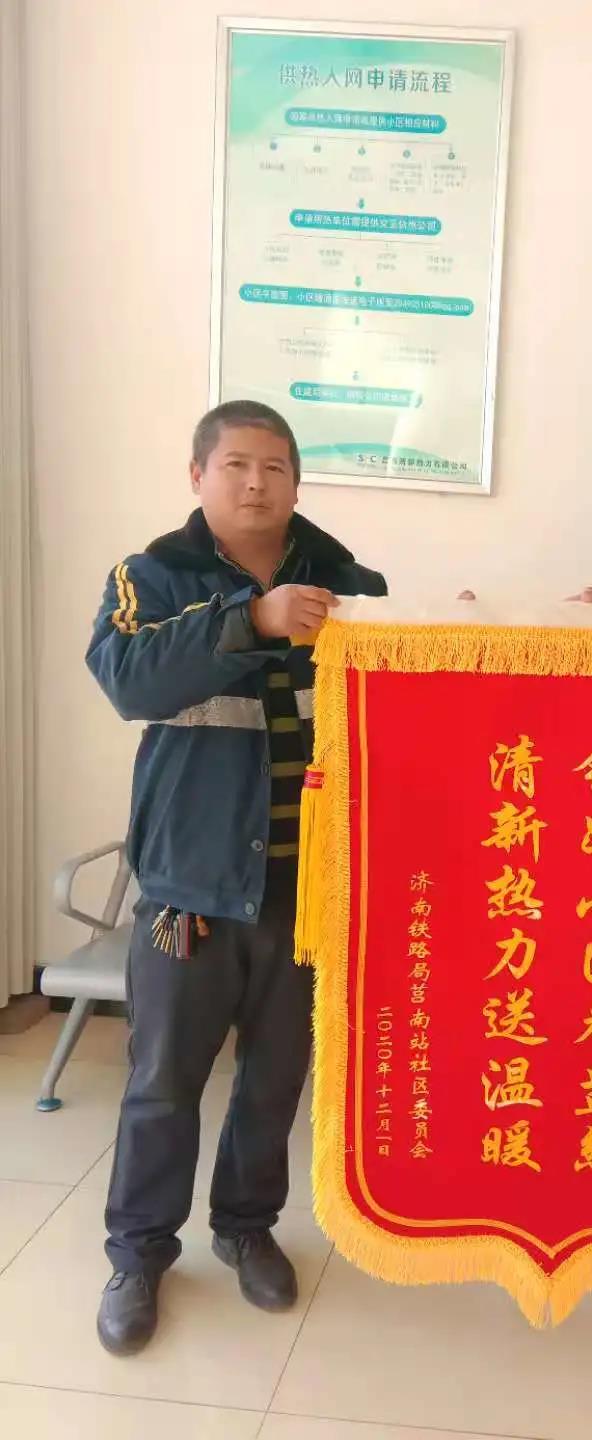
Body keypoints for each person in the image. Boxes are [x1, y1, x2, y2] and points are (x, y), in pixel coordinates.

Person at [86, 400, 387, 1355]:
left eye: (276, 468)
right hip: (192, 886)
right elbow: (128, 679)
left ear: (297, 481)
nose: (257, 483)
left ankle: (247, 1228)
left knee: (274, 1078)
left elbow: (418, 692)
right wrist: (248, 618)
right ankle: (139, 1253)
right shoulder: (152, 577)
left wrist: (531, 630)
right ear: (198, 475)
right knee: (163, 1081)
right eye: (236, 465)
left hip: (312, 889)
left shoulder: (350, 583)